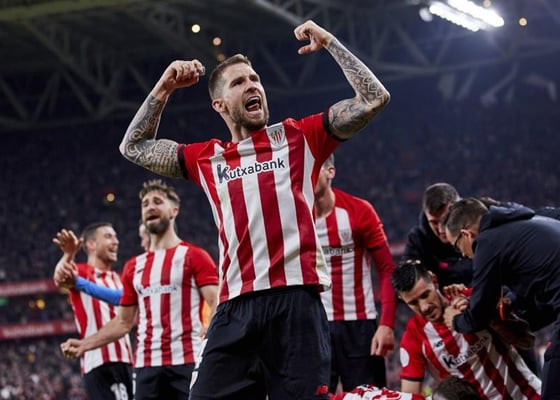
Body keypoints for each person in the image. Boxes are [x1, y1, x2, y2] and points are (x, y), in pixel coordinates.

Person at [118, 19, 390, 400]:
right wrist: (164, 87)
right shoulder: (206, 158)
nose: (252, 86)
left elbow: (374, 98)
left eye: (255, 79)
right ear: (219, 105)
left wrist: (330, 42)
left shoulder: (299, 136)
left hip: (297, 306)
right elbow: (133, 147)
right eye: (239, 82)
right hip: (234, 311)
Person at [60, 179, 219, 400]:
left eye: (157, 201)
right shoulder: (133, 267)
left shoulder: (194, 256)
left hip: (187, 361)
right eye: (145, 204)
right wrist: (84, 344)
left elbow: (217, 303)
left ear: (174, 211)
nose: (150, 206)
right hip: (146, 367)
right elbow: (123, 322)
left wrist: (211, 340)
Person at [442, 198, 560, 399]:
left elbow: (478, 316)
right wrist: (513, 300)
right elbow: (544, 281)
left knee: (553, 380)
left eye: (456, 246)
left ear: (466, 234)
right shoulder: (527, 220)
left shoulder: (487, 243)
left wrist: (455, 320)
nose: (461, 254)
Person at [392, 259, 541, 399]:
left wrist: (483, 317)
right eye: (413, 303)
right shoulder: (414, 337)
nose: (424, 307)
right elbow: (410, 394)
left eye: (425, 295)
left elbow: (527, 341)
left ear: (434, 281)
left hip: (530, 395)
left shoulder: (471, 299)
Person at [314, 154, 396, 392]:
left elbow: (387, 268)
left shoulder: (359, 211)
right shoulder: (294, 218)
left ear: (330, 172)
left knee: (369, 396)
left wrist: (387, 324)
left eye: (313, 169)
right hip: (315, 326)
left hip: (359, 325)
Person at [53, 223, 134, 400]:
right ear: (91, 244)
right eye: (108, 237)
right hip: (100, 364)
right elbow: (59, 278)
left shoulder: (119, 279)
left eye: (115, 237)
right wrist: (68, 255)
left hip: (127, 362)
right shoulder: (82, 272)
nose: (116, 241)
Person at [402, 182, 473, 288]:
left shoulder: (477, 228)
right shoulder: (417, 240)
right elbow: (405, 283)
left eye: (445, 219)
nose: (441, 228)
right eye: (434, 222)